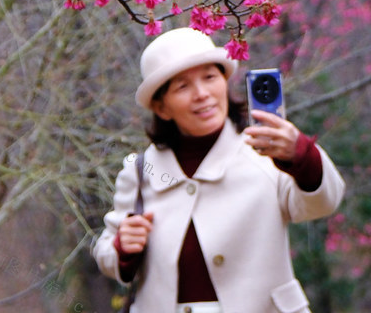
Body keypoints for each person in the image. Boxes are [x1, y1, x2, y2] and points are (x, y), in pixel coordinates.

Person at [93, 27, 345, 313]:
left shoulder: (266, 152)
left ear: (225, 82)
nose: (202, 94)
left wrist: (302, 155)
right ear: (162, 108)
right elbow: (106, 254)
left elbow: (323, 203)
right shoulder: (141, 170)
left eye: (210, 77)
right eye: (182, 86)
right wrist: (123, 247)